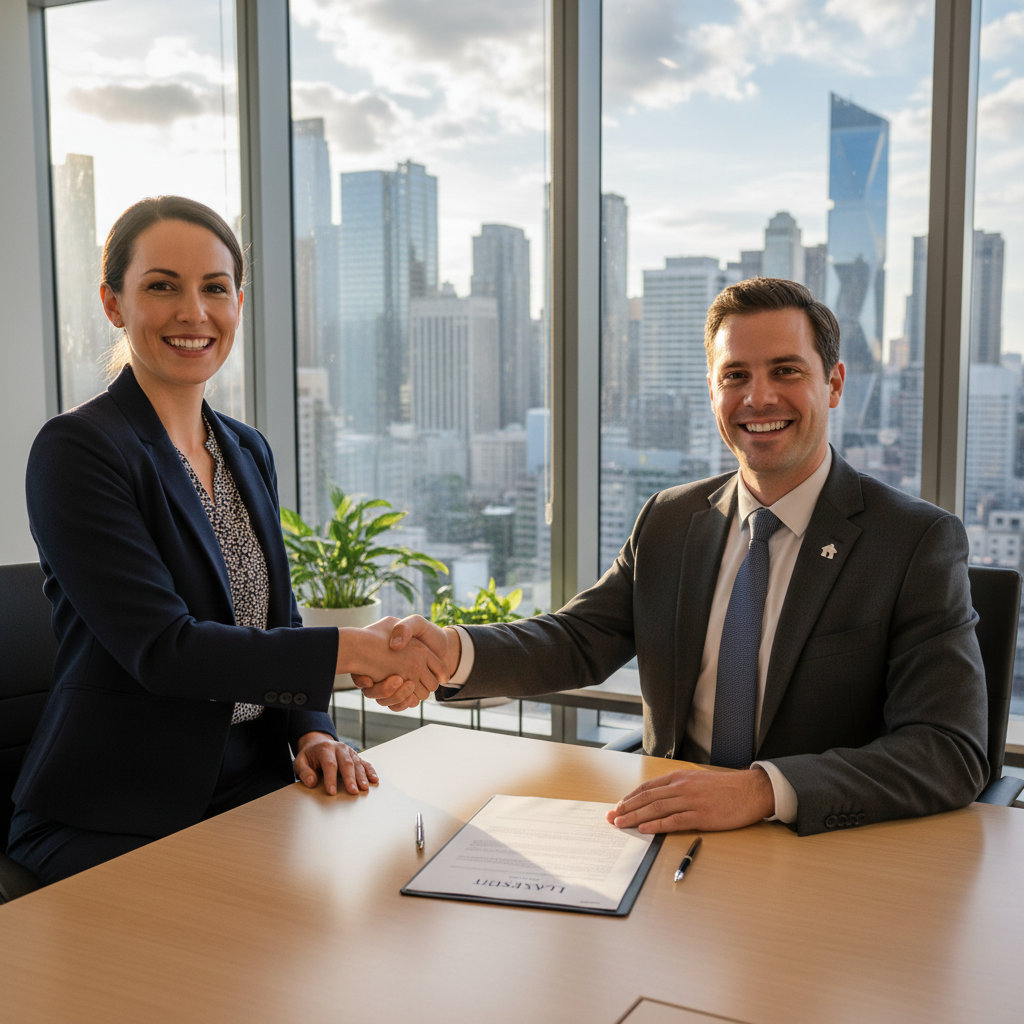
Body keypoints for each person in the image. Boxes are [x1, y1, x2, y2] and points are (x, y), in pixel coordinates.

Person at [359, 278, 989, 837]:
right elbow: (580, 638)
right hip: (664, 836)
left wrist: (761, 789)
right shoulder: (670, 519)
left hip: (818, 852)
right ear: (713, 392)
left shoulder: (913, 542)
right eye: (735, 375)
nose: (759, 397)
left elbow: (949, 750)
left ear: (834, 383)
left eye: (786, 371)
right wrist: (451, 652)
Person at [9, 196, 447, 885]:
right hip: (119, 808)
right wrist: (355, 649)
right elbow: (166, 651)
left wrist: (311, 729)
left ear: (238, 302)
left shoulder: (246, 449)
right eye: (162, 286)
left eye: (215, 288)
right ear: (113, 304)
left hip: (259, 780)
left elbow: (276, 620)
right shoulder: (79, 449)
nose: (194, 312)